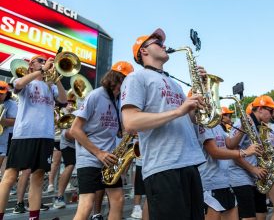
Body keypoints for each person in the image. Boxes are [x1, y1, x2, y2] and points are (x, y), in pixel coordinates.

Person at [121, 28, 206, 220]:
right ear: (143, 51)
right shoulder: (135, 78)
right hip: (164, 167)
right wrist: (179, 110)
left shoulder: (174, 83)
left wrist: (200, 93)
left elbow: (188, 120)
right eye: (158, 43)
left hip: (189, 163)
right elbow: (130, 122)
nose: (164, 46)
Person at [0, 54, 67, 220]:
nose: (45, 63)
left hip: (45, 136)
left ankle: (34, 217)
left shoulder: (50, 86)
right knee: (10, 176)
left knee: (37, 178)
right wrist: (41, 71)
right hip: (24, 135)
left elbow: (64, 100)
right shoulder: (25, 81)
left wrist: (57, 77)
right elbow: (19, 84)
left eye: (46, 61)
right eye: (41, 61)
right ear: (31, 65)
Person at [70, 61, 133, 220]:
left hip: (110, 158)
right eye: (125, 81)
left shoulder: (119, 100)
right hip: (90, 157)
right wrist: (99, 153)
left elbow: (119, 129)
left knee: (118, 199)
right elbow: (75, 130)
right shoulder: (96, 95)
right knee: (87, 204)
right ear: (117, 79)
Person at [198, 105, 261, 220]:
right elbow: (214, 152)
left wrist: (243, 128)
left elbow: (230, 144)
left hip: (226, 182)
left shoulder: (217, 126)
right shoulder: (203, 124)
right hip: (211, 183)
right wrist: (244, 152)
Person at [228, 95, 274, 220]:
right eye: (271, 110)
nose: (272, 114)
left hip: (256, 178)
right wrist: (253, 169)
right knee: (249, 218)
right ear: (260, 109)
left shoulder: (261, 126)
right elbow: (232, 149)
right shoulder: (242, 122)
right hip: (241, 177)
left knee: (261, 216)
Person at [53, 97, 78, 209]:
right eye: (69, 103)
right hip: (68, 143)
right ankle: (59, 196)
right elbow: (67, 134)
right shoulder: (75, 114)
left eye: (73, 102)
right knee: (70, 165)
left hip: (81, 143)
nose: (71, 104)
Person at [0, 81, 17, 172]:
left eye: (1, 94)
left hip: (2, 141)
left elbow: (14, 122)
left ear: (7, 93)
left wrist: (2, 121)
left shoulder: (11, 104)